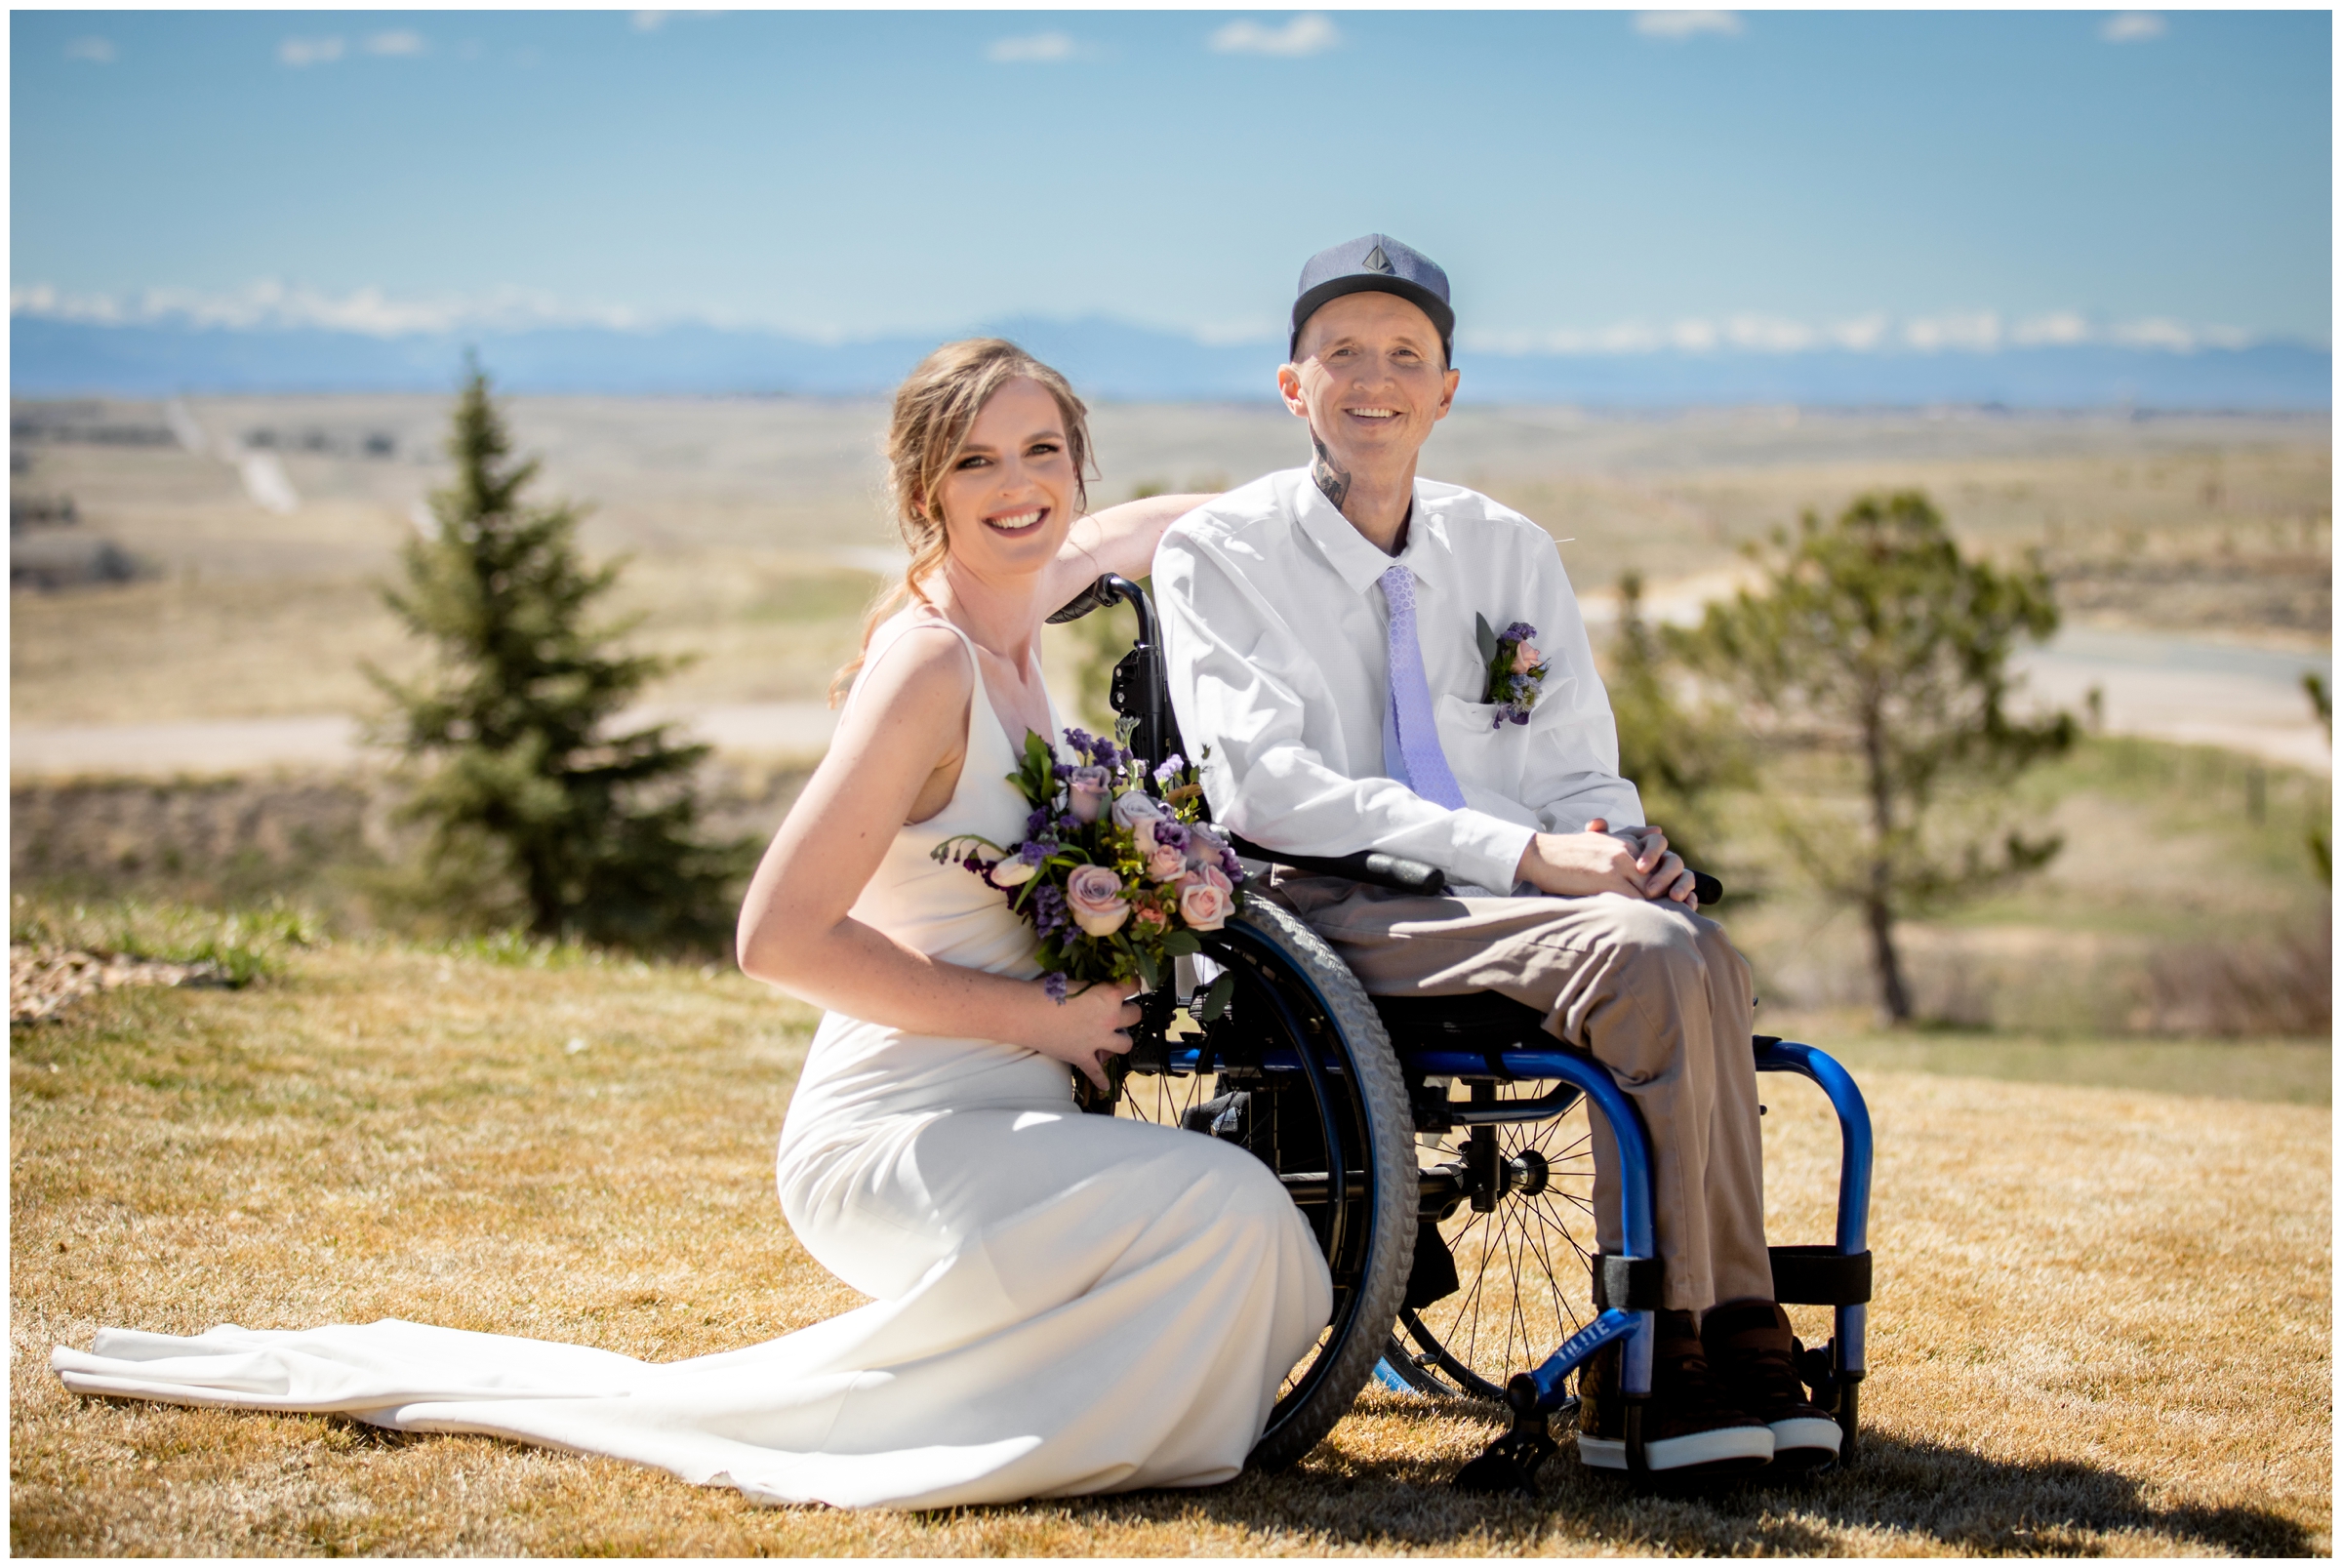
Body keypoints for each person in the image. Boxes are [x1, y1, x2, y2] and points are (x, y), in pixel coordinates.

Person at [51, 339, 1331, 1510]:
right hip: (897, 1133)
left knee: (1248, 1219)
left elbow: (1134, 530)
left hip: (1012, 1122)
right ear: (924, 490)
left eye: (1042, 451)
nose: (1018, 482)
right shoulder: (930, 662)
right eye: (976, 460)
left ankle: (1078, 1411)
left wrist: (1343, 498)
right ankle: (1019, 1433)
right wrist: (1032, 1014)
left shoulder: (1019, 609)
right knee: (1229, 1208)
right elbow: (774, 933)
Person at [1152, 234, 1837, 1477]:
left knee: (1689, 942)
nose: (1375, 378)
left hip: (1514, 897)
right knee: (1646, 953)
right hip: (1325, 904)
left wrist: (1618, 844)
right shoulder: (1221, 553)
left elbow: (1576, 762)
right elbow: (1265, 787)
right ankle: (1676, 1357)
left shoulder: (1509, 549)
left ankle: (1728, 1336)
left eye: (1405, 355)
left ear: (1448, 389)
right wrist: (1523, 857)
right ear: (1291, 384)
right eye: (1341, 352)